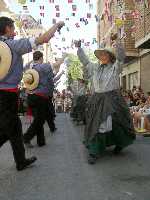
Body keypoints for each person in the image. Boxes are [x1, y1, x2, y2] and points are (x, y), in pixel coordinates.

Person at [0, 16, 64, 170]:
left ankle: (21, 161)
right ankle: (21, 160)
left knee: (12, 129)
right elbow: (43, 38)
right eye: (13, 28)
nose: (14, 31)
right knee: (8, 129)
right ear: (7, 29)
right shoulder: (13, 45)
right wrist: (56, 25)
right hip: (7, 95)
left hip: (9, 94)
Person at [75, 33, 136, 164]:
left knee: (117, 122)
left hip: (112, 99)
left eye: (105, 54)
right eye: (100, 55)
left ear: (110, 56)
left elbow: (121, 58)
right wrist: (79, 49)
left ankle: (120, 143)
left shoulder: (115, 67)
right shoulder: (95, 67)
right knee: (99, 124)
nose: (102, 56)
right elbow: (85, 61)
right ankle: (94, 151)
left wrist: (118, 42)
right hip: (97, 100)